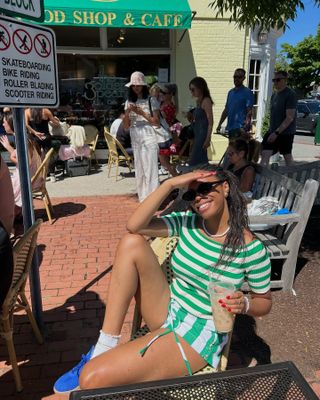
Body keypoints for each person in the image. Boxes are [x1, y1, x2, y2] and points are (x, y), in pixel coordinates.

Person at [53, 168, 272, 394]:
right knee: (132, 242)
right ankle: (104, 345)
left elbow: (264, 302)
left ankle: (104, 368)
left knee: (92, 378)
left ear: (225, 187)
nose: (198, 197)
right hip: (169, 309)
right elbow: (135, 226)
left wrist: (244, 304)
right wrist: (170, 185)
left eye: (206, 188)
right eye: (191, 194)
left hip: (200, 330)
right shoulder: (188, 222)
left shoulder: (251, 249)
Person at [123, 72, 160, 202]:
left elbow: (156, 122)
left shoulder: (151, 100)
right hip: (135, 135)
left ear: (144, 86)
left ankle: (154, 198)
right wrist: (127, 113)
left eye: (139, 85)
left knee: (151, 166)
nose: (136, 88)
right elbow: (126, 126)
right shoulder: (129, 102)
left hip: (149, 133)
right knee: (139, 166)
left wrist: (142, 113)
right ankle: (143, 196)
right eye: (134, 85)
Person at [0, 113, 43, 218]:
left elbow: (26, 162)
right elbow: (21, 155)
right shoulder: (22, 136)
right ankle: (15, 212)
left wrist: (12, 158)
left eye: (4, 122)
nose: (3, 124)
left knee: (3, 188)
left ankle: (9, 217)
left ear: (11, 124)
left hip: (28, 179)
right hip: (29, 176)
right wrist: (9, 147)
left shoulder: (23, 139)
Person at [260, 71, 297, 167]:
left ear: (285, 80)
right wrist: (272, 131)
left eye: (278, 80)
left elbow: (290, 117)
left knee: (287, 157)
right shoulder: (274, 96)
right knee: (264, 154)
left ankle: (292, 180)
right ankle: (262, 180)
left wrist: (276, 133)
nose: (275, 82)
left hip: (285, 133)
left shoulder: (290, 94)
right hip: (272, 131)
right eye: (274, 80)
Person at [216, 69, 254, 139]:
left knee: (236, 149)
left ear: (243, 78)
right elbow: (226, 110)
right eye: (235, 77)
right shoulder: (230, 92)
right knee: (232, 149)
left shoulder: (247, 92)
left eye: (239, 77)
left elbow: (249, 111)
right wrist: (219, 124)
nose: (236, 79)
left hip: (240, 129)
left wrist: (246, 127)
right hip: (231, 128)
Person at [188, 77, 214, 166]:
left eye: (193, 89)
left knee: (195, 160)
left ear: (200, 88)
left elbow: (210, 122)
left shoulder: (206, 101)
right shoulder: (199, 101)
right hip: (198, 133)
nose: (191, 92)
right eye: (190, 90)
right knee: (199, 160)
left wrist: (208, 138)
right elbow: (198, 119)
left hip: (202, 135)